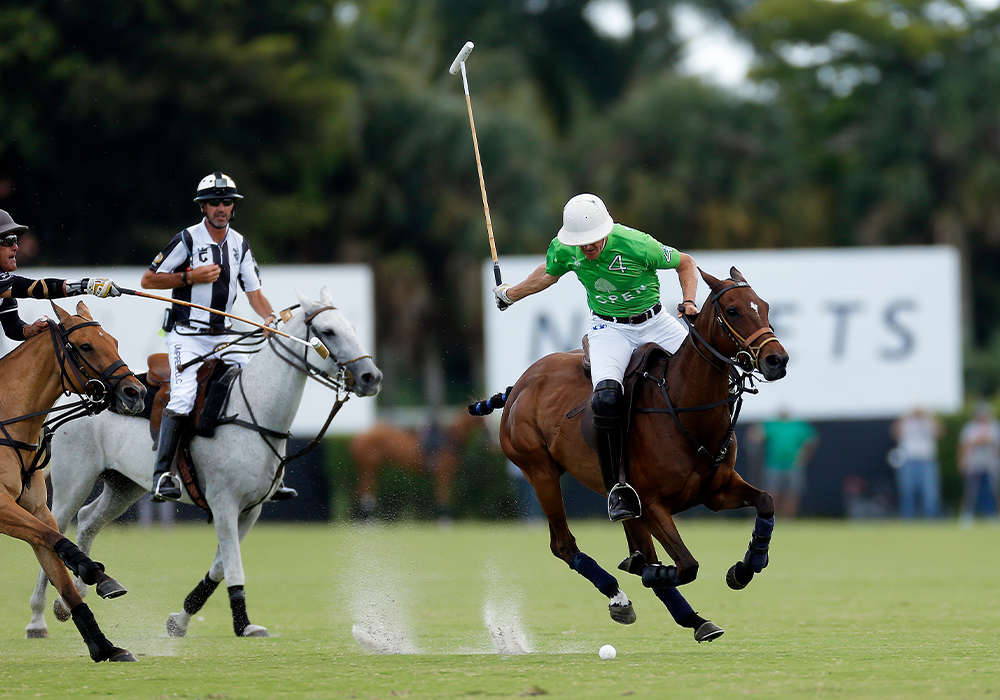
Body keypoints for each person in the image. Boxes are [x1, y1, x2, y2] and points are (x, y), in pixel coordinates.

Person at [493, 193, 698, 521]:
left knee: (705, 374)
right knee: (604, 399)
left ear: (606, 230)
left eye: (592, 242)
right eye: (581, 243)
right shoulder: (565, 248)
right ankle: (618, 485)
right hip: (609, 329)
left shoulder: (636, 244)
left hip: (656, 322)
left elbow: (685, 262)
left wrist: (689, 300)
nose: (587, 248)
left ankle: (710, 459)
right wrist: (512, 294)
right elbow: (549, 273)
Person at [141, 172, 295, 502]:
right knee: (182, 397)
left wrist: (269, 316)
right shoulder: (187, 240)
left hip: (225, 337)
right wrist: (190, 276)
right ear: (203, 207)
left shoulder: (240, 244)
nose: (221, 207)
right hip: (188, 336)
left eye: (227, 202)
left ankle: (273, 473)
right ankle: (162, 474)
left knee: (259, 385)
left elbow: (255, 295)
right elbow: (148, 280)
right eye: (214, 202)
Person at [0, 209, 121, 341]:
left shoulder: (4, 281)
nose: (16, 247)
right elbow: (34, 288)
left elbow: (12, 326)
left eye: (15, 240)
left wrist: (30, 330)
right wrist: (86, 285)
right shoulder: (5, 284)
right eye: (8, 241)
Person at [748, 409, 818, 518]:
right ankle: (772, 517)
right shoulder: (772, 424)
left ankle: (788, 519)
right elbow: (755, 436)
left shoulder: (798, 425)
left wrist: (804, 456)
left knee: (792, 493)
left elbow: (812, 439)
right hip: (773, 465)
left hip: (794, 465)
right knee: (773, 493)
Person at [890, 406, 942, 519]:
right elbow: (895, 433)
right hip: (908, 460)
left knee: (930, 493)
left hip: (927, 460)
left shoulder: (928, 422)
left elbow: (939, 433)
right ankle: (908, 519)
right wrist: (905, 417)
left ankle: (931, 519)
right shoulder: (906, 422)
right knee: (907, 491)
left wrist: (928, 416)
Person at [957, 402, 1000, 526]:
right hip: (973, 464)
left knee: (992, 491)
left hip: (991, 464)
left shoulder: (995, 427)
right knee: (970, 491)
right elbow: (964, 446)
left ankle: (992, 515)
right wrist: (962, 461)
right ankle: (967, 515)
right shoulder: (969, 428)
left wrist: (989, 441)